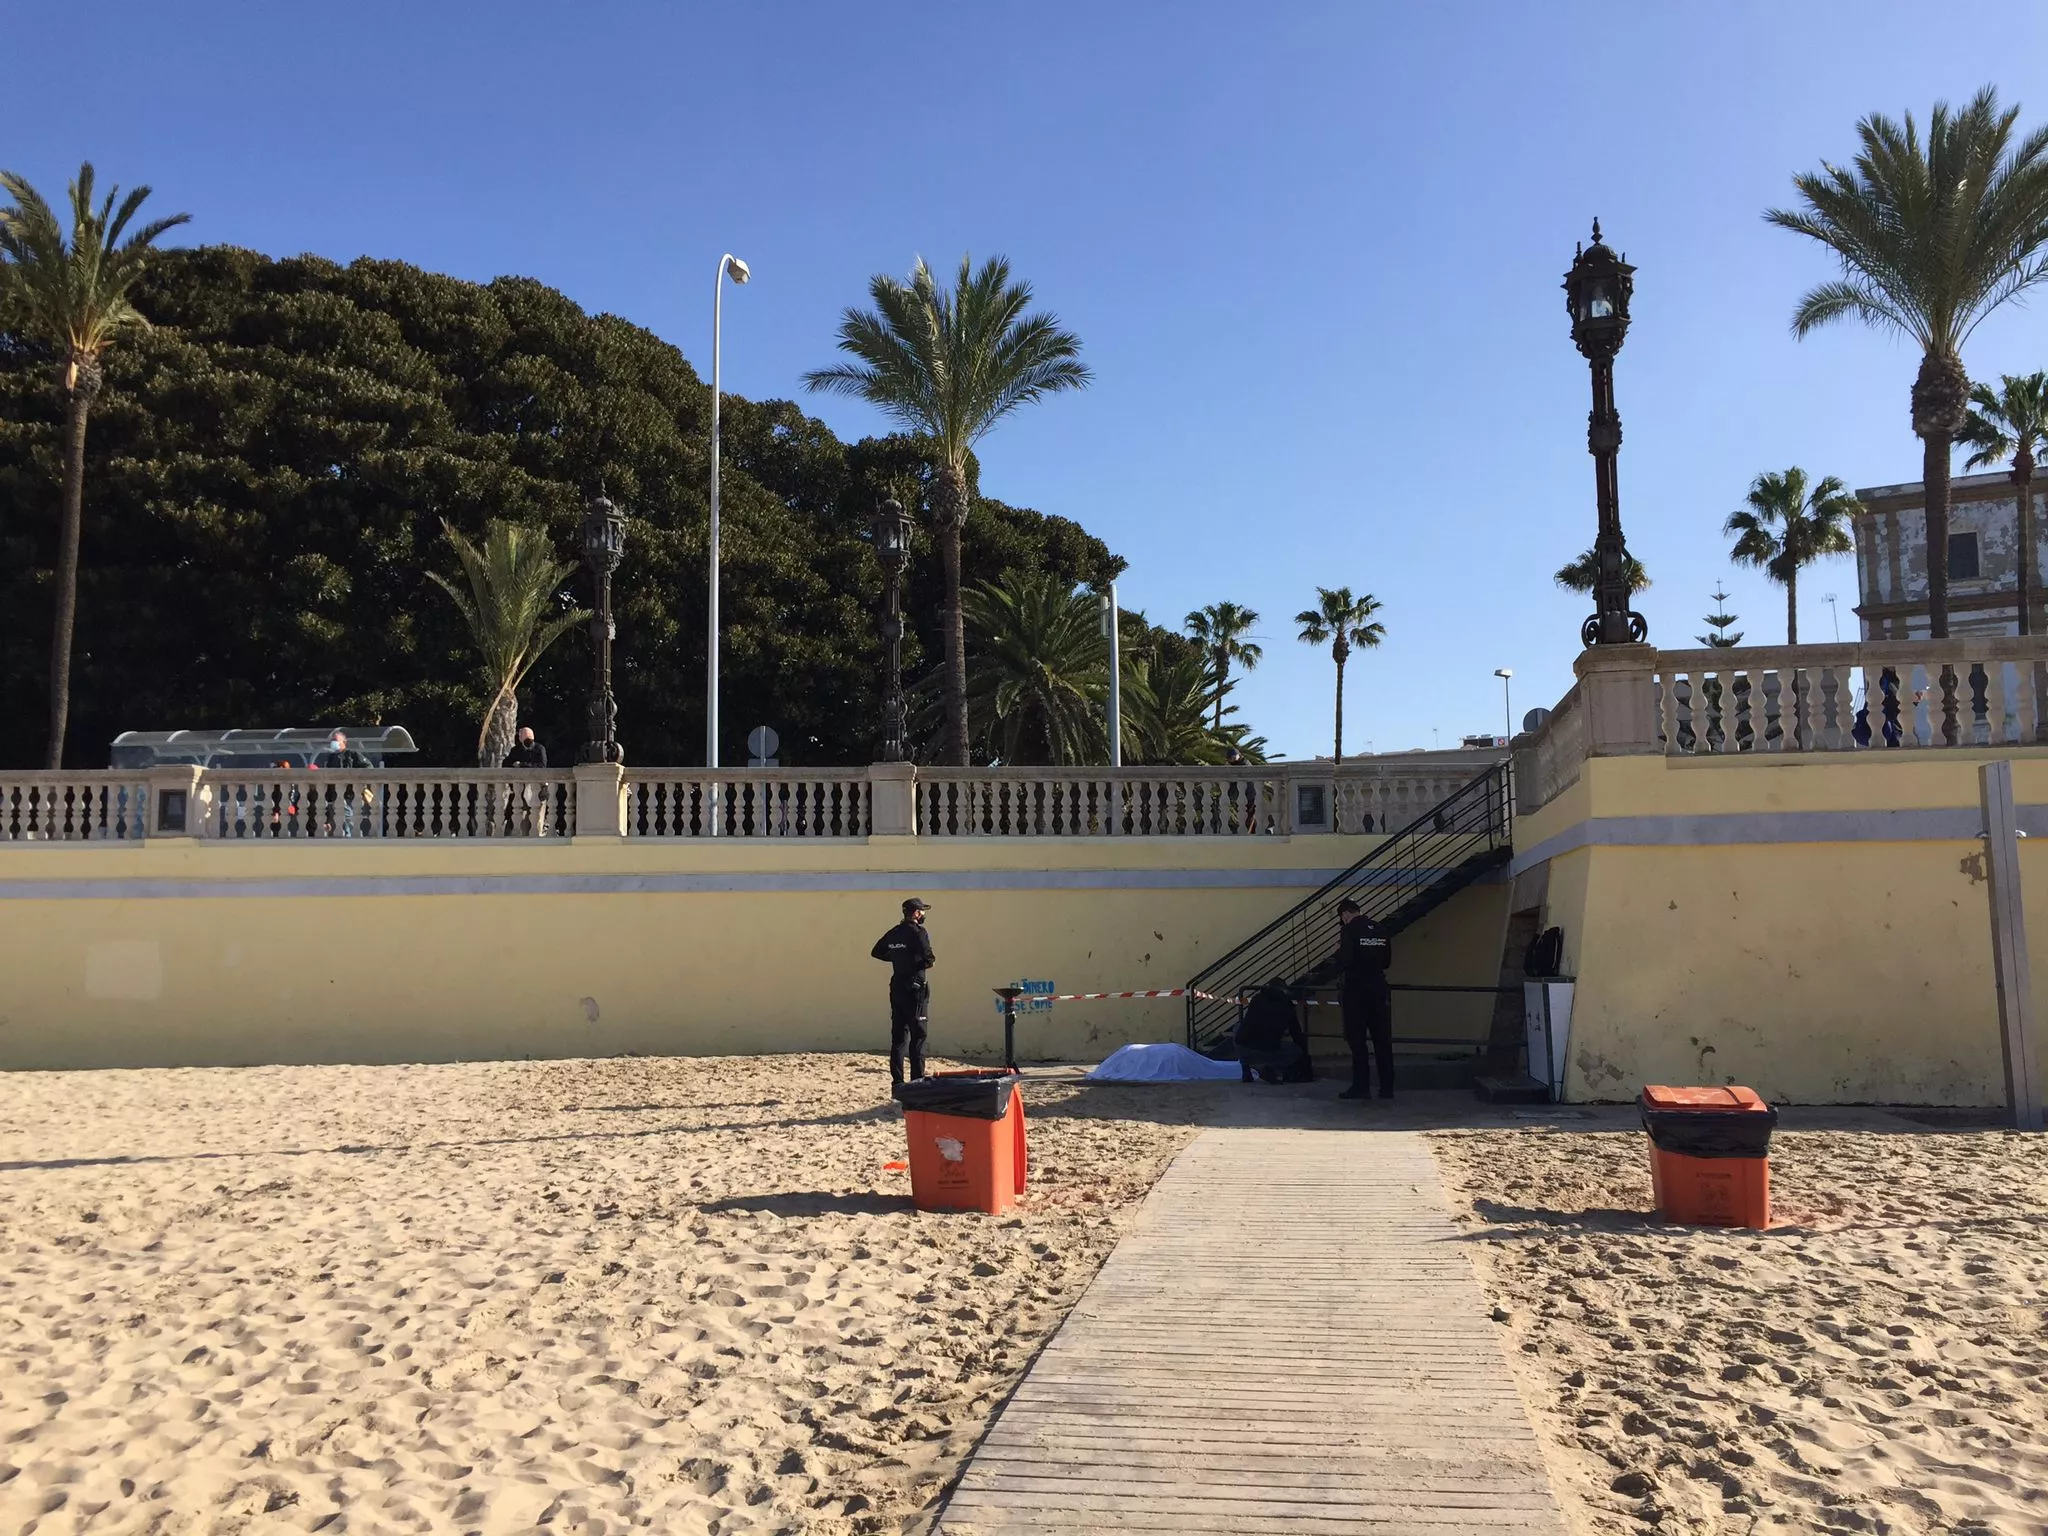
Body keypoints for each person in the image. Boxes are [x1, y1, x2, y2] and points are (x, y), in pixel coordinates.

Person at [870, 898, 935, 1086]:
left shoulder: (894, 932)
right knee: (918, 1036)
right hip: (915, 987)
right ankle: (917, 1081)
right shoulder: (918, 932)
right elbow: (929, 958)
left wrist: (899, 959)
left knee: (898, 1036)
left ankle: (897, 1081)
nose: (923, 914)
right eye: (922, 911)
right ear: (916, 913)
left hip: (897, 985)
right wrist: (914, 962)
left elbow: (876, 952)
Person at [1335, 897, 1394, 1100]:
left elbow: (1345, 959)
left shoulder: (1349, 930)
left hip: (1356, 990)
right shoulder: (1380, 929)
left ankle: (1361, 1086)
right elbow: (1387, 961)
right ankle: (1387, 1087)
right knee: (1382, 1040)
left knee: (1357, 1041)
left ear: (1345, 915)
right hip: (1378, 988)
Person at [1236, 977, 1310, 1084]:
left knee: (1238, 1028)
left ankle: (1246, 1071)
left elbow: (1249, 1023)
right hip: (1267, 1048)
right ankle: (1270, 1068)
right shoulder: (1286, 1005)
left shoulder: (1257, 999)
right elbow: (1296, 1032)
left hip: (1244, 1048)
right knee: (1295, 1051)